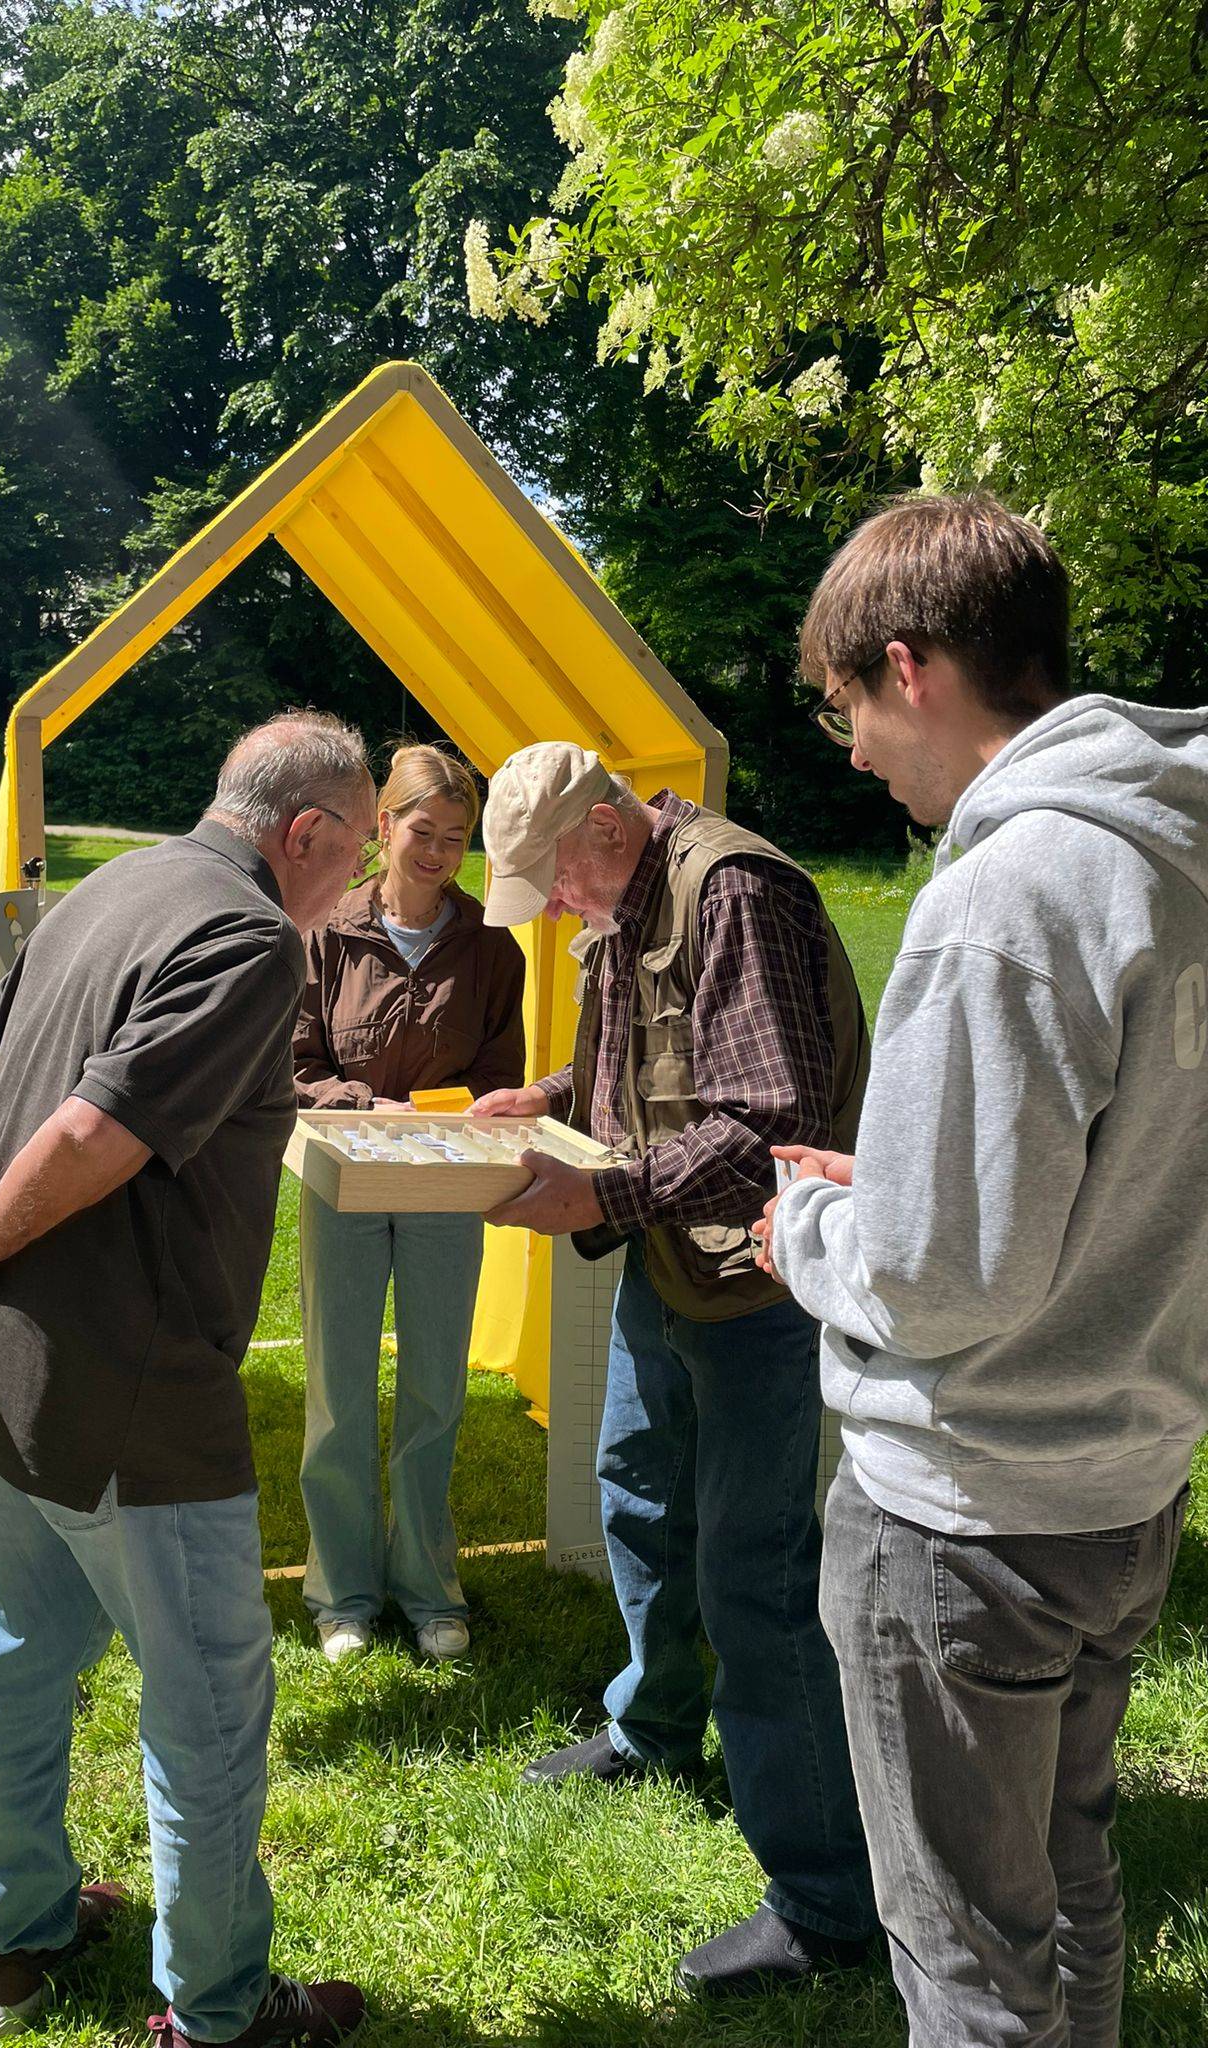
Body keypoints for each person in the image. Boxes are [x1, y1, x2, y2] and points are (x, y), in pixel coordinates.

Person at [0, 713, 378, 2048]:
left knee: (16, 1662)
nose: (353, 883)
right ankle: (218, 2011)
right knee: (209, 1714)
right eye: (356, 853)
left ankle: (16, 1938)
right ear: (305, 832)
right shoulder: (250, 936)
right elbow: (93, 1130)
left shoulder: (109, 882)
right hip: (129, 1386)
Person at [753, 493, 1208, 2048]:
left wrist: (811, 1233)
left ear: (911, 665)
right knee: (1071, 1888)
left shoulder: (1007, 890)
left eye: (849, 711)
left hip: (965, 1513)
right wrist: (897, 1190)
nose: (855, 754)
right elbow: (1121, 1165)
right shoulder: (1177, 856)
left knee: (967, 1966)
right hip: (1126, 1489)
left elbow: (943, 1284)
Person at [472, 741, 878, 1994]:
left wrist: (600, 1192)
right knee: (639, 1495)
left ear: (606, 827)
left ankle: (827, 1900)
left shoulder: (734, 892)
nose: (551, 908)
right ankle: (653, 1728)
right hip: (673, 1261)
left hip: (758, 1280)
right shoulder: (630, 897)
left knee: (756, 1571)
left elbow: (769, 1122)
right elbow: (638, 1067)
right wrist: (544, 1097)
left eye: (552, 879)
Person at [294, 743, 525, 1664]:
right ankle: (342, 1594)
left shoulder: (493, 945)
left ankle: (430, 1589)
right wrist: (368, 1108)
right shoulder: (322, 933)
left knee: (435, 1389)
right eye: (422, 832)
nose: (436, 854)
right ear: (383, 826)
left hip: (445, 1187)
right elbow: (294, 1064)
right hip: (343, 1184)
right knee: (338, 1390)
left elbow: (501, 1076)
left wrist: (462, 1115)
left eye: (456, 839)